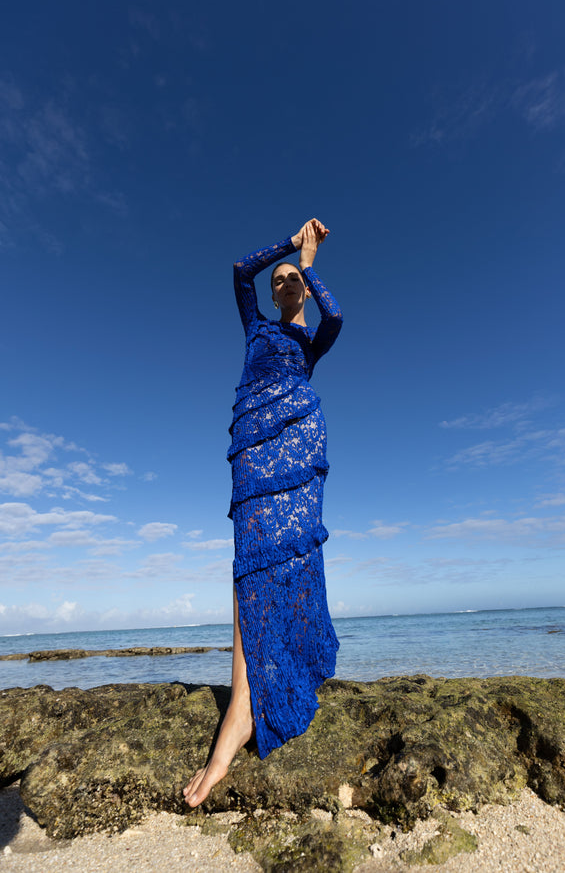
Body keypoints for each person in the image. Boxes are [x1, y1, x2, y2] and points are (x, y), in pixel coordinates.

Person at [184, 218, 342, 807]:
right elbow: (236, 271)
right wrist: (287, 248)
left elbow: (339, 319)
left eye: (289, 280)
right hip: (253, 444)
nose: (280, 284)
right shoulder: (255, 327)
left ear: (301, 285)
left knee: (287, 560)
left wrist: (309, 263)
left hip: (298, 443)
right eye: (276, 281)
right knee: (249, 562)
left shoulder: (311, 340)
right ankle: (242, 707)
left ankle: (244, 710)